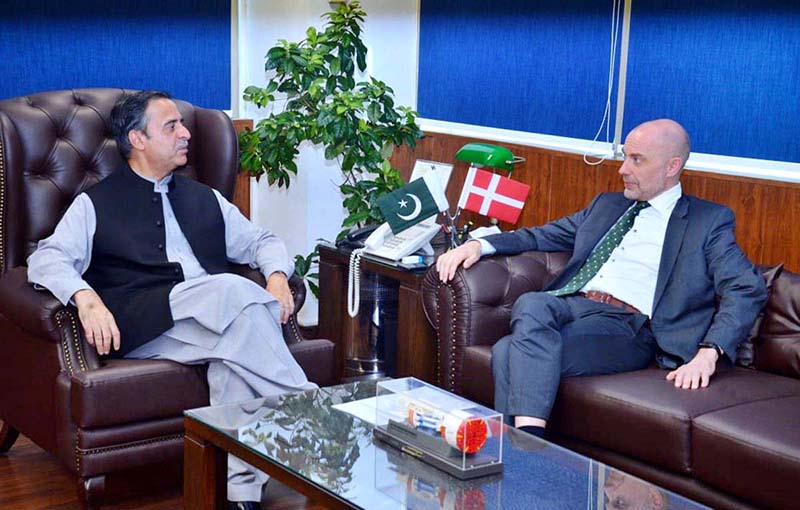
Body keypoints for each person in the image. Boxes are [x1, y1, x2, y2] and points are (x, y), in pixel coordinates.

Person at [27, 90, 314, 510]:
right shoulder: (95, 203)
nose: (185, 134)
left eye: (182, 124)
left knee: (234, 351)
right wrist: (85, 297)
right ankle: (313, 411)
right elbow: (46, 259)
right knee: (232, 291)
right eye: (171, 126)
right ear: (137, 140)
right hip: (145, 325)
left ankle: (239, 492)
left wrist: (275, 276)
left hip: (218, 318)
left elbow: (262, 241)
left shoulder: (205, 198)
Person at [436, 119, 767, 439]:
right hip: (574, 308)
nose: (623, 169)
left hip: (629, 326)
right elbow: (542, 235)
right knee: (532, 308)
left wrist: (708, 354)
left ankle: (522, 448)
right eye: (625, 157)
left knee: (509, 348)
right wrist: (479, 245)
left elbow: (745, 287)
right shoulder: (607, 205)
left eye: (637, 160)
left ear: (672, 166)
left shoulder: (707, 221)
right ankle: (529, 445)